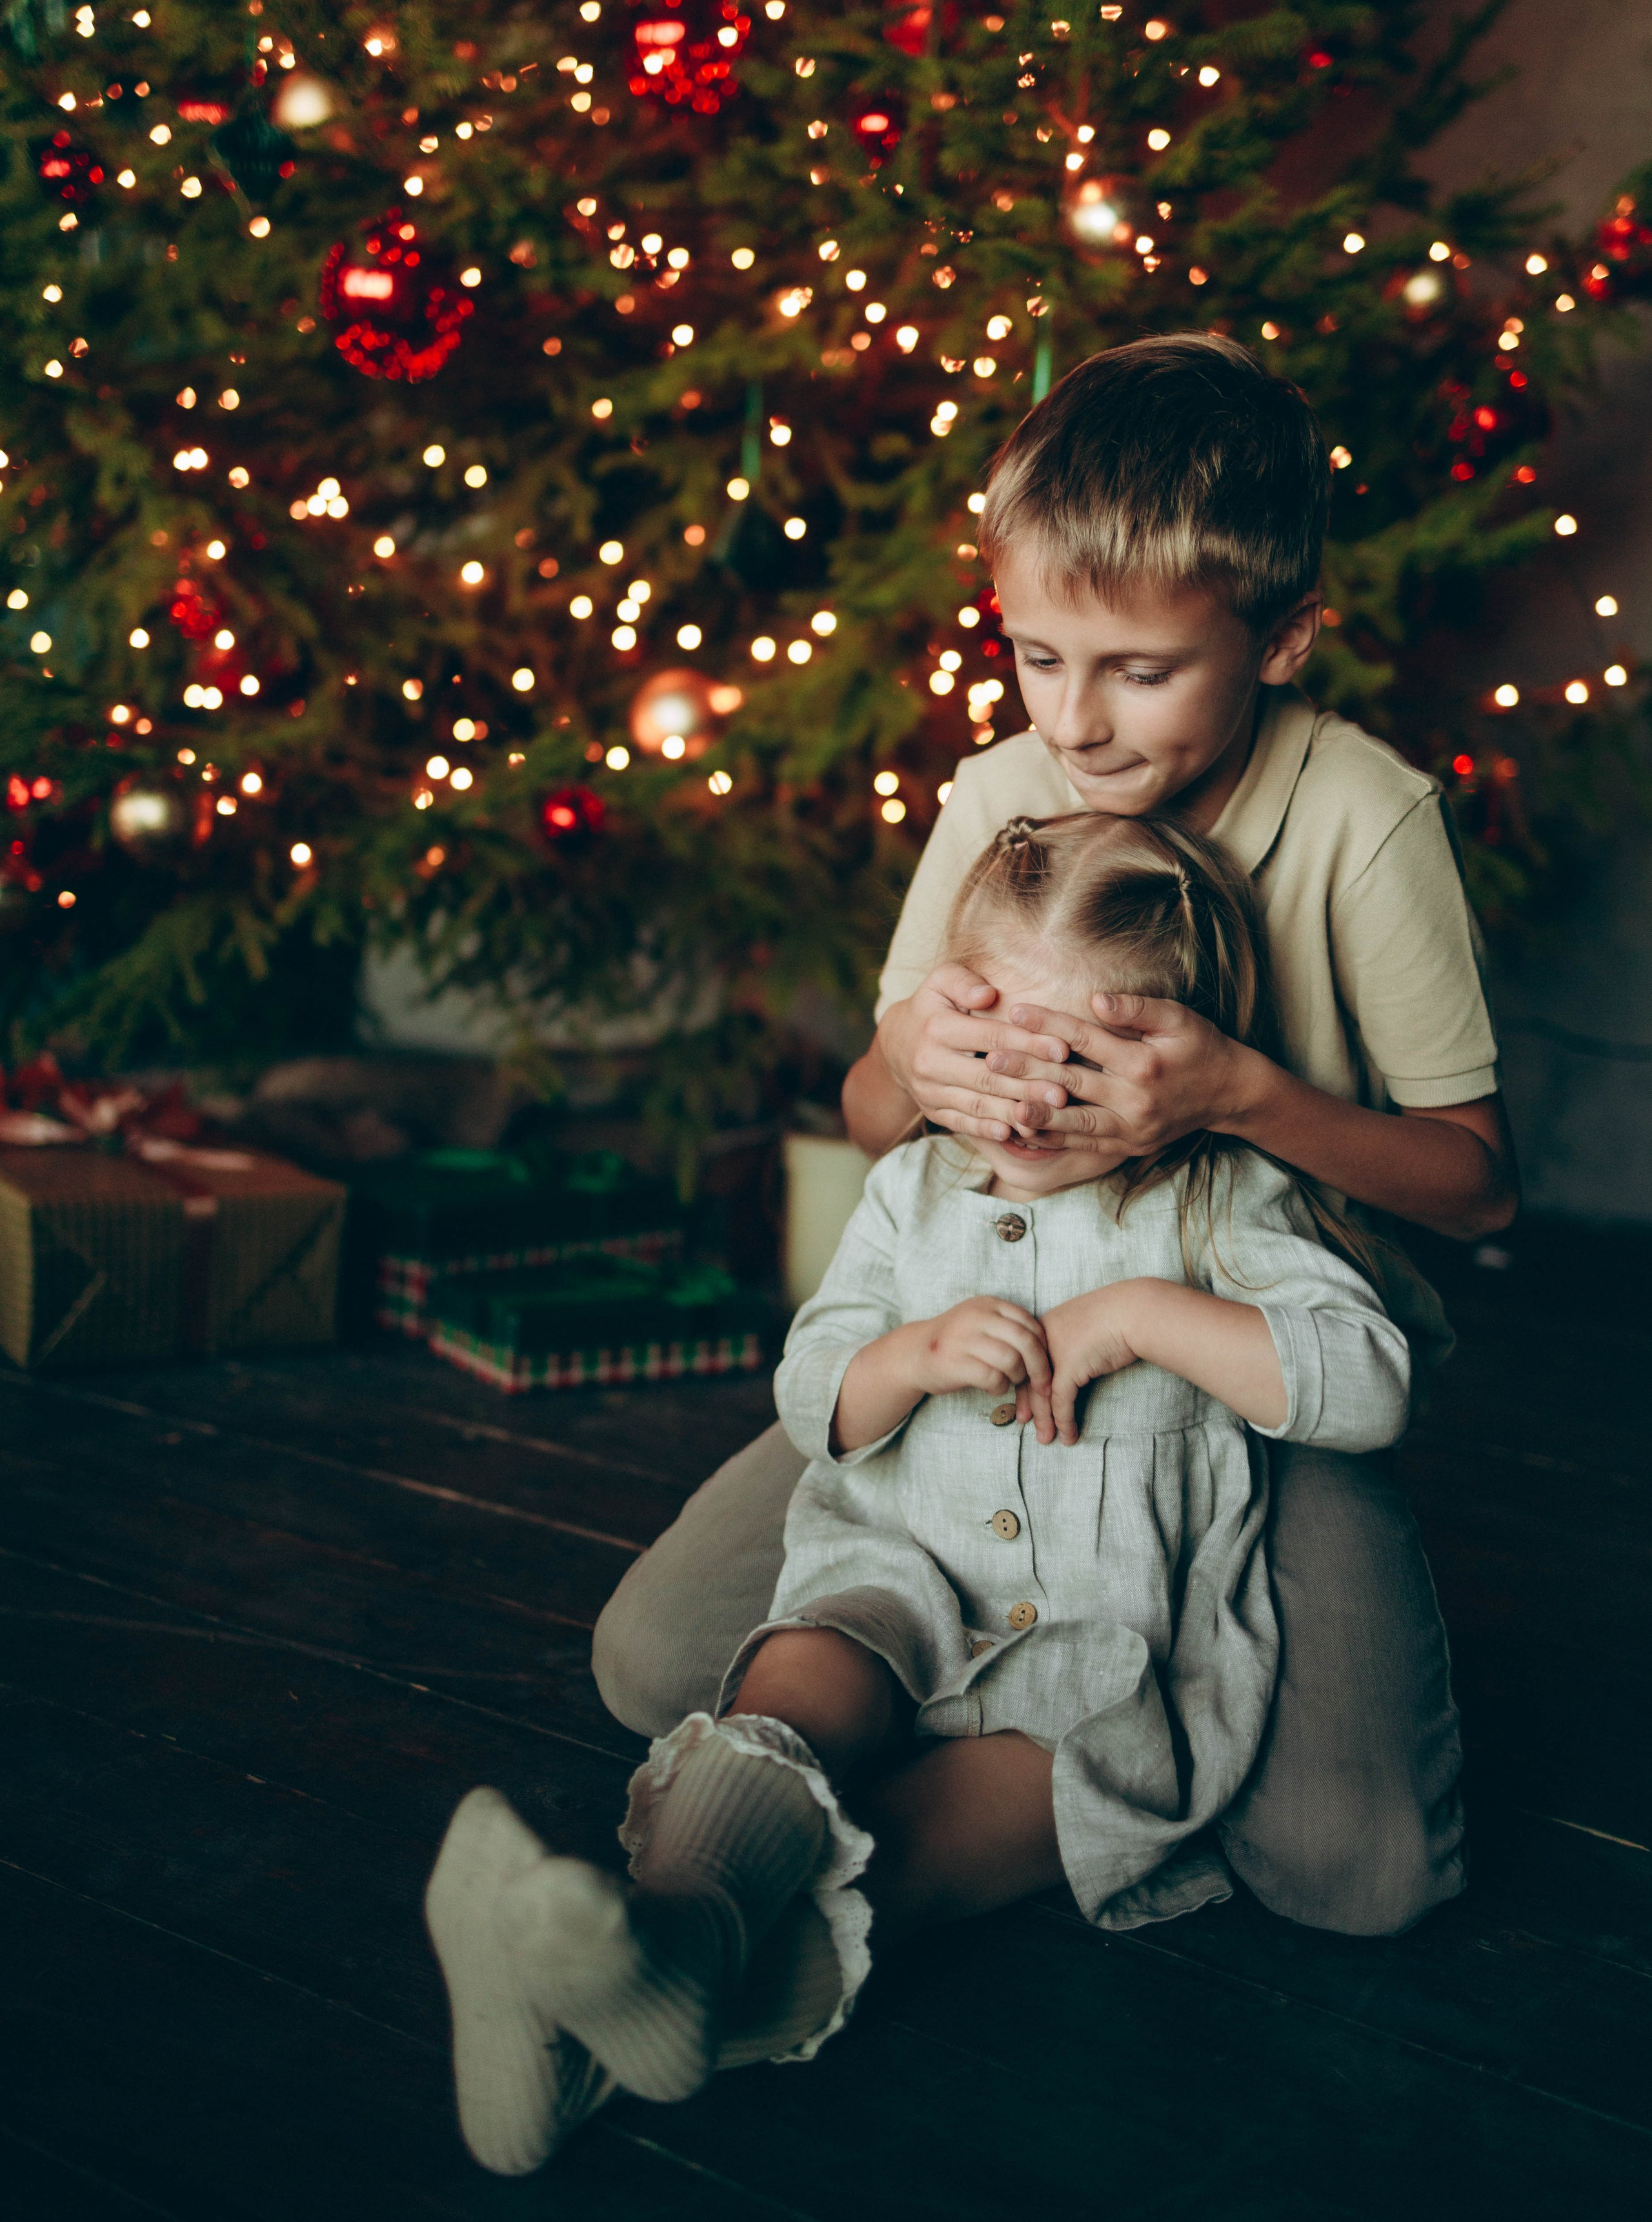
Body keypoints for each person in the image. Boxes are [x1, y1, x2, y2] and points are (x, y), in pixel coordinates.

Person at [592, 333, 1515, 1937]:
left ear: (1282, 637)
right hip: (991, 1344)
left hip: (1247, 1366)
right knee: (649, 1666)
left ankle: (1107, 1738)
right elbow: (875, 1121)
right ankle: (990, 1701)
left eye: (1135, 671)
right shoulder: (999, 790)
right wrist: (910, 1059)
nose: (1073, 724)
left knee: (1358, 1878)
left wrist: (1234, 1094)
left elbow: (1475, 1183)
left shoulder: (1367, 821)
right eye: (1033, 655)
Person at [426, 809, 1436, 2174]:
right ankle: (663, 1923)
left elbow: (1366, 1383)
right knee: (795, 1683)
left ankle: (612, 2035)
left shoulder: (1217, 1200)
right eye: (993, 1061)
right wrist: (901, 1360)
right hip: (892, 1578)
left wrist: (1144, 1314)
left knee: (902, 1861)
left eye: (1073, 1072)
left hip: (1103, 1677)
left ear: (1166, 1065)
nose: (1021, 1112)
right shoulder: (912, 1184)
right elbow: (812, 1387)